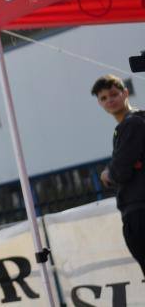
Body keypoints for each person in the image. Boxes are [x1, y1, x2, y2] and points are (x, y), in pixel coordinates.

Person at [92, 74, 145, 276]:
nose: (109, 101)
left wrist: (108, 174)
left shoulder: (132, 123)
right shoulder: (132, 123)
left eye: (113, 94)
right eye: (103, 98)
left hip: (139, 211)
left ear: (125, 93)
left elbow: (121, 171)